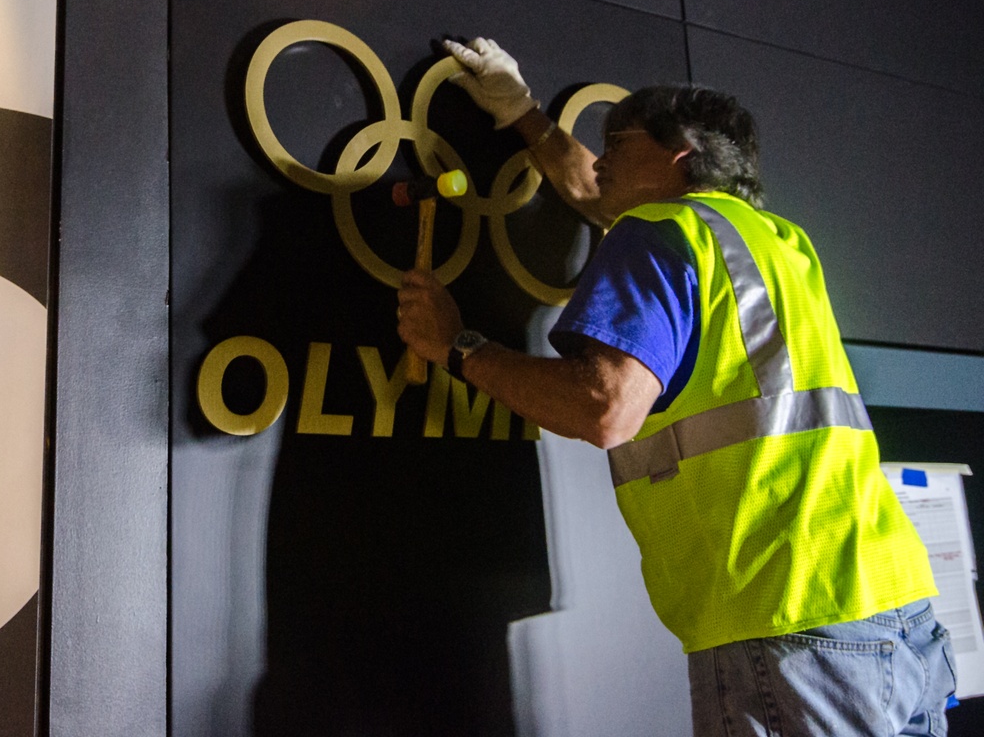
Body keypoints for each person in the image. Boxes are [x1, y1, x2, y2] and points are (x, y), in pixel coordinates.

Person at [396, 37, 958, 736]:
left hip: (784, 621)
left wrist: (457, 345)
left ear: (679, 155)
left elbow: (604, 410)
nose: (598, 159)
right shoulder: (775, 241)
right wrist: (521, 113)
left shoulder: (654, 234)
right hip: (896, 611)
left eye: (617, 142)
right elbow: (593, 191)